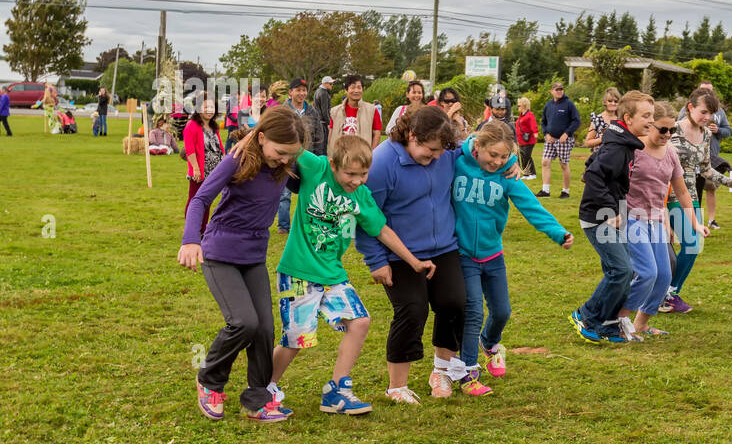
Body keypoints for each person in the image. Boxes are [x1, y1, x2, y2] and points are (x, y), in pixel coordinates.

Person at [269, 135, 433, 415]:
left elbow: (381, 230)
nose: (357, 180)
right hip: (297, 271)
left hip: (332, 274)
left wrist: (414, 261)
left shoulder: (360, 195)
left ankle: (337, 391)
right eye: (350, 174)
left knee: (360, 321)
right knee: (296, 337)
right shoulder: (316, 167)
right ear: (333, 165)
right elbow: (284, 142)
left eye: (363, 174)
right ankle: (265, 386)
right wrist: (253, 133)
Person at [356, 104, 505, 401]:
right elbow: (366, 216)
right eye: (431, 150)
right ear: (412, 135)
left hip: (445, 248)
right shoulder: (383, 162)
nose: (437, 157)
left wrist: (511, 160)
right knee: (412, 309)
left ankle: (441, 371)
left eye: (441, 151)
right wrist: (376, 261)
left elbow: (481, 147)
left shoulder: (446, 154)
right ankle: (397, 385)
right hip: (399, 254)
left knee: (455, 303)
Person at [178, 109, 306, 422]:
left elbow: (307, 180)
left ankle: (256, 399)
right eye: (280, 152)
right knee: (244, 322)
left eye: (292, 155)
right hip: (219, 253)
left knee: (264, 328)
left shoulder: (283, 164)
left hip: (253, 258)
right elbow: (200, 199)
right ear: (261, 138)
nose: (284, 160)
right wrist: (190, 239)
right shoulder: (236, 160)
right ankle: (209, 380)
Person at [453, 120, 573, 385]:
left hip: (493, 253)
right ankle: (469, 373)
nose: (496, 161)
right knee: (473, 311)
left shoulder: (508, 176)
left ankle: (490, 344)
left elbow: (531, 207)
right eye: (492, 154)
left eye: (504, 156)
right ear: (478, 145)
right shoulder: (456, 163)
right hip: (462, 254)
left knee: (502, 311)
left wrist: (558, 232)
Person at [571, 91, 654, 344]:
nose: (651, 121)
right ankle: (585, 316)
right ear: (628, 118)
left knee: (622, 271)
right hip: (599, 218)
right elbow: (595, 175)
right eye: (646, 116)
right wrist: (612, 209)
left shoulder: (621, 143)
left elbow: (591, 166)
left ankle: (607, 325)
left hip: (611, 214)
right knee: (622, 270)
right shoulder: (618, 147)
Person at [617, 102, 700, 339]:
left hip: (654, 221)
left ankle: (641, 324)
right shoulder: (633, 150)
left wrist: (695, 224)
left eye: (671, 130)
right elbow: (613, 181)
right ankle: (619, 322)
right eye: (662, 129)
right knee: (647, 273)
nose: (667, 135)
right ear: (650, 125)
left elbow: (682, 192)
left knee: (664, 277)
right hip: (632, 218)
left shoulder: (671, 154)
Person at [659, 89, 732, 313]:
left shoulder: (706, 135)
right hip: (668, 194)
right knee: (690, 243)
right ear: (690, 107)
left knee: (693, 245)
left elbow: (705, 169)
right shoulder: (671, 131)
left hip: (691, 195)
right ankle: (665, 293)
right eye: (704, 112)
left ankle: (669, 293)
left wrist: (728, 182)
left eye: (712, 114)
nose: (707, 118)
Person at [278, 78, 319, 234]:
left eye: (304, 90)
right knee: (285, 193)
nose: (302, 93)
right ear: (290, 92)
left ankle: (309, 223)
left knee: (310, 192)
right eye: (298, 90)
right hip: (287, 158)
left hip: (308, 158)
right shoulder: (283, 111)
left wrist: (319, 157)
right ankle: (283, 226)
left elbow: (318, 135)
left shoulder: (311, 111)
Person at [184, 94, 226, 233]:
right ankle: (191, 228)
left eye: (212, 107)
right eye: (206, 106)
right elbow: (190, 149)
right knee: (195, 200)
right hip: (200, 170)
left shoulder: (214, 126)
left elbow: (219, 147)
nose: (209, 110)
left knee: (207, 202)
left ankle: (202, 230)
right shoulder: (192, 125)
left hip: (214, 171)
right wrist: (196, 169)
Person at [696, 80, 732, 228]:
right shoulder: (690, 108)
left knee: (711, 188)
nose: (706, 93)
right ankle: (695, 221)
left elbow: (728, 131)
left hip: (713, 157)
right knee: (694, 190)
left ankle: (711, 220)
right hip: (695, 156)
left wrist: (718, 130)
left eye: (709, 90)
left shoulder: (719, 111)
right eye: (703, 90)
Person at [540, 81, 580, 198]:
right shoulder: (548, 105)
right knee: (545, 162)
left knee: (563, 164)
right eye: (557, 89)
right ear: (552, 91)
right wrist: (546, 134)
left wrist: (566, 133)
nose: (559, 91)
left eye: (561, 89)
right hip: (550, 139)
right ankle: (545, 191)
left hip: (564, 140)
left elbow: (576, 121)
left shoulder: (569, 104)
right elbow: (543, 122)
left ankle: (565, 191)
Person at [328, 74, 383, 151]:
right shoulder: (335, 111)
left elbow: (377, 134)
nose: (356, 91)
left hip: (362, 157)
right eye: (353, 87)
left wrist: (371, 154)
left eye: (359, 87)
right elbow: (331, 133)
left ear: (362, 89)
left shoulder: (372, 110)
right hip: (341, 156)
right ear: (346, 90)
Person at [515, 97, 538, 179]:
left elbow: (533, 124)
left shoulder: (529, 115)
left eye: (519, 105)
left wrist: (535, 132)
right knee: (522, 156)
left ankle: (532, 173)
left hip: (528, 140)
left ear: (524, 105)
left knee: (527, 156)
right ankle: (526, 173)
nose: (518, 107)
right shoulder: (521, 116)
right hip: (521, 140)